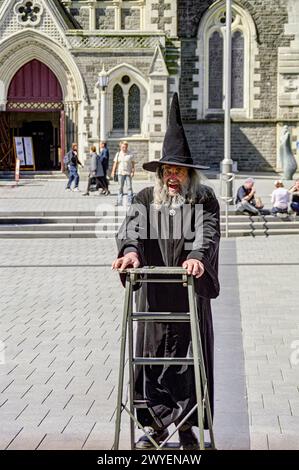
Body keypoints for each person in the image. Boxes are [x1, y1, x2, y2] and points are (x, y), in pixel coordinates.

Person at [112, 93, 220, 450]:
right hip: (155, 298)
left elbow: (208, 231)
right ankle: (156, 428)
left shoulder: (203, 198)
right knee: (153, 363)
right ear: (160, 174)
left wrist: (197, 257)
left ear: (190, 174)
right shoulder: (144, 198)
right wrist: (130, 252)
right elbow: (131, 229)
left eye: (179, 170)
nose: (172, 176)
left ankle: (188, 427)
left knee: (192, 364)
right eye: (167, 170)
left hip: (190, 296)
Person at [111, 141, 135, 205]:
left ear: (127, 146)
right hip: (120, 173)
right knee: (120, 187)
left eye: (125, 147)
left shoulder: (130, 154)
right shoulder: (118, 154)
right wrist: (113, 171)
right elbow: (115, 163)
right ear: (121, 147)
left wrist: (133, 172)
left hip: (128, 173)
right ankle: (119, 201)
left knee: (129, 187)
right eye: (123, 147)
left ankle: (130, 201)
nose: (124, 148)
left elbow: (133, 164)